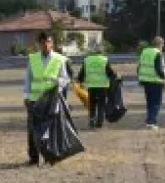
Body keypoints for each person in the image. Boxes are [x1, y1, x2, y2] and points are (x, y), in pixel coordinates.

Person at [23, 32, 70, 166]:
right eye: (43, 42)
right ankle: (34, 158)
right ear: (39, 44)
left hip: (52, 99)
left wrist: (57, 84)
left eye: (48, 42)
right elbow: (28, 79)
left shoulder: (59, 59)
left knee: (51, 127)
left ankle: (51, 154)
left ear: (52, 43)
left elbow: (65, 78)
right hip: (35, 99)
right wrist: (26, 96)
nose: (46, 45)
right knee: (33, 129)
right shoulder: (33, 59)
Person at [77, 45, 116, 129]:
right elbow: (109, 72)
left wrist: (80, 81)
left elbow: (82, 72)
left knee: (92, 104)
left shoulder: (87, 60)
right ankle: (99, 122)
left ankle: (92, 120)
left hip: (91, 86)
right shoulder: (104, 60)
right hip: (102, 86)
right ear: (101, 52)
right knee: (101, 104)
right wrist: (114, 77)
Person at [137, 37, 165, 130]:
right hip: (155, 81)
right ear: (159, 44)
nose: (163, 46)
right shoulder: (157, 53)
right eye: (162, 44)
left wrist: (140, 79)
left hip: (145, 81)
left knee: (149, 102)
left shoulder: (144, 52)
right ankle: (152, 122)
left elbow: (139, 67)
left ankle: (149, 121)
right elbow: (159, 69)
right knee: (156, 103)